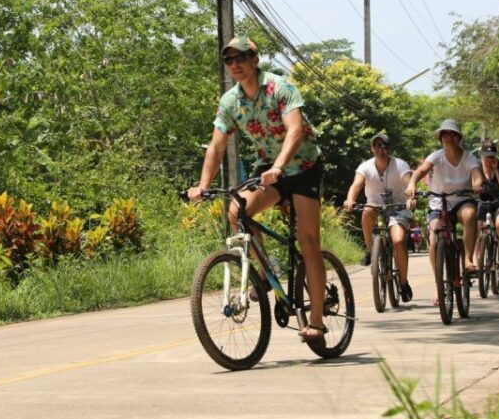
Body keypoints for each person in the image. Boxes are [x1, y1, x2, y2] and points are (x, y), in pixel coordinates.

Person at [187, 36, 327, 341]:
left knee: (308, 242)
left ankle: (316, 320)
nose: (235, 64)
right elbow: (216, 146)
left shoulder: (279, 87)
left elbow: (296, 130)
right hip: (270, 170)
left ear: (255, 60)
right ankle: (265, 274)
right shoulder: (230, 102)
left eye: (241, 58)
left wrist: (280, 165)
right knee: (237, 210)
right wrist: (203, 185)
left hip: (302, 167)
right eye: (229, 60)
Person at [405, 119, 483, 305]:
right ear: (441, 138)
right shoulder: (436, 156)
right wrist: (411, 183)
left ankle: (469, 260)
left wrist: (478, 185)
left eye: (452, 134)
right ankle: (438, 283)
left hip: (462, 200)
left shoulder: (469, 158)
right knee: (434, 239)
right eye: (445, 134)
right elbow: (421, 171)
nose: (449, 137)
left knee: (470, 215)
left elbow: (477, 176)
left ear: (458, 138)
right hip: (438, 203)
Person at [344, 133, 414, 302]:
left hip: (397, 206)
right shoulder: (365, 167)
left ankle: (403, 283)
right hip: (375, 205)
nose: (380, 149)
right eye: (376, 146)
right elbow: (356, 184)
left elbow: (408, 182)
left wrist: (411, 195)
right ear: (372, 149)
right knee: (367, 211)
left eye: (383, 146)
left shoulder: (400, 165)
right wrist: (350, 199)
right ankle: (370, 250)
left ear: (389, 149)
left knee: (398, 242)